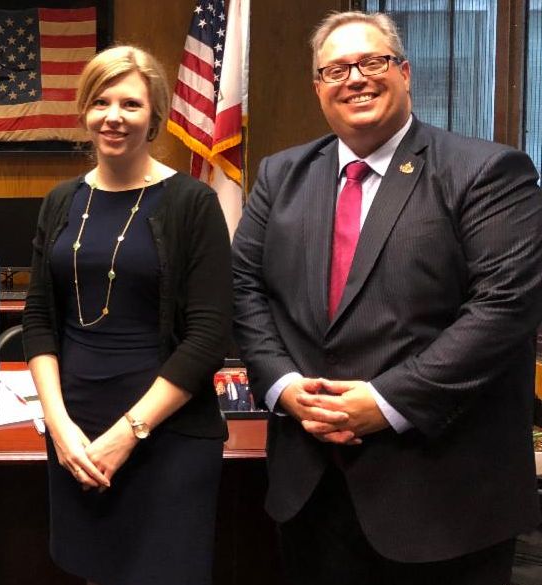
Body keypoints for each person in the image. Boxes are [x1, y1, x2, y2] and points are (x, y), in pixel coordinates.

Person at [232, 11, 542, 585]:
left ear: (404, 72)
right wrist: (284, 385)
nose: (355, 78)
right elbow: (244, 287)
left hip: (444, 497)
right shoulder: (281, 175)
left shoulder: (486, 171)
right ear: (318, 87)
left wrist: (386, 401)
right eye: (336, 69)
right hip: (312, 491)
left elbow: (504, 310)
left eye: (372, 62)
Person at [21, 45, 232, 585]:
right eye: (101, 102)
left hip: (166, 435)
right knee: (92, 571)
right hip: (77, 435)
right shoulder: (61, 201)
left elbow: (209, 336)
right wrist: (59, 428)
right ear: (84, 111)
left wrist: (128, 433)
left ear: (154, 115)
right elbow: (40, 319)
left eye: (131, 104)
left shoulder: (192, 203)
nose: (113, 116)